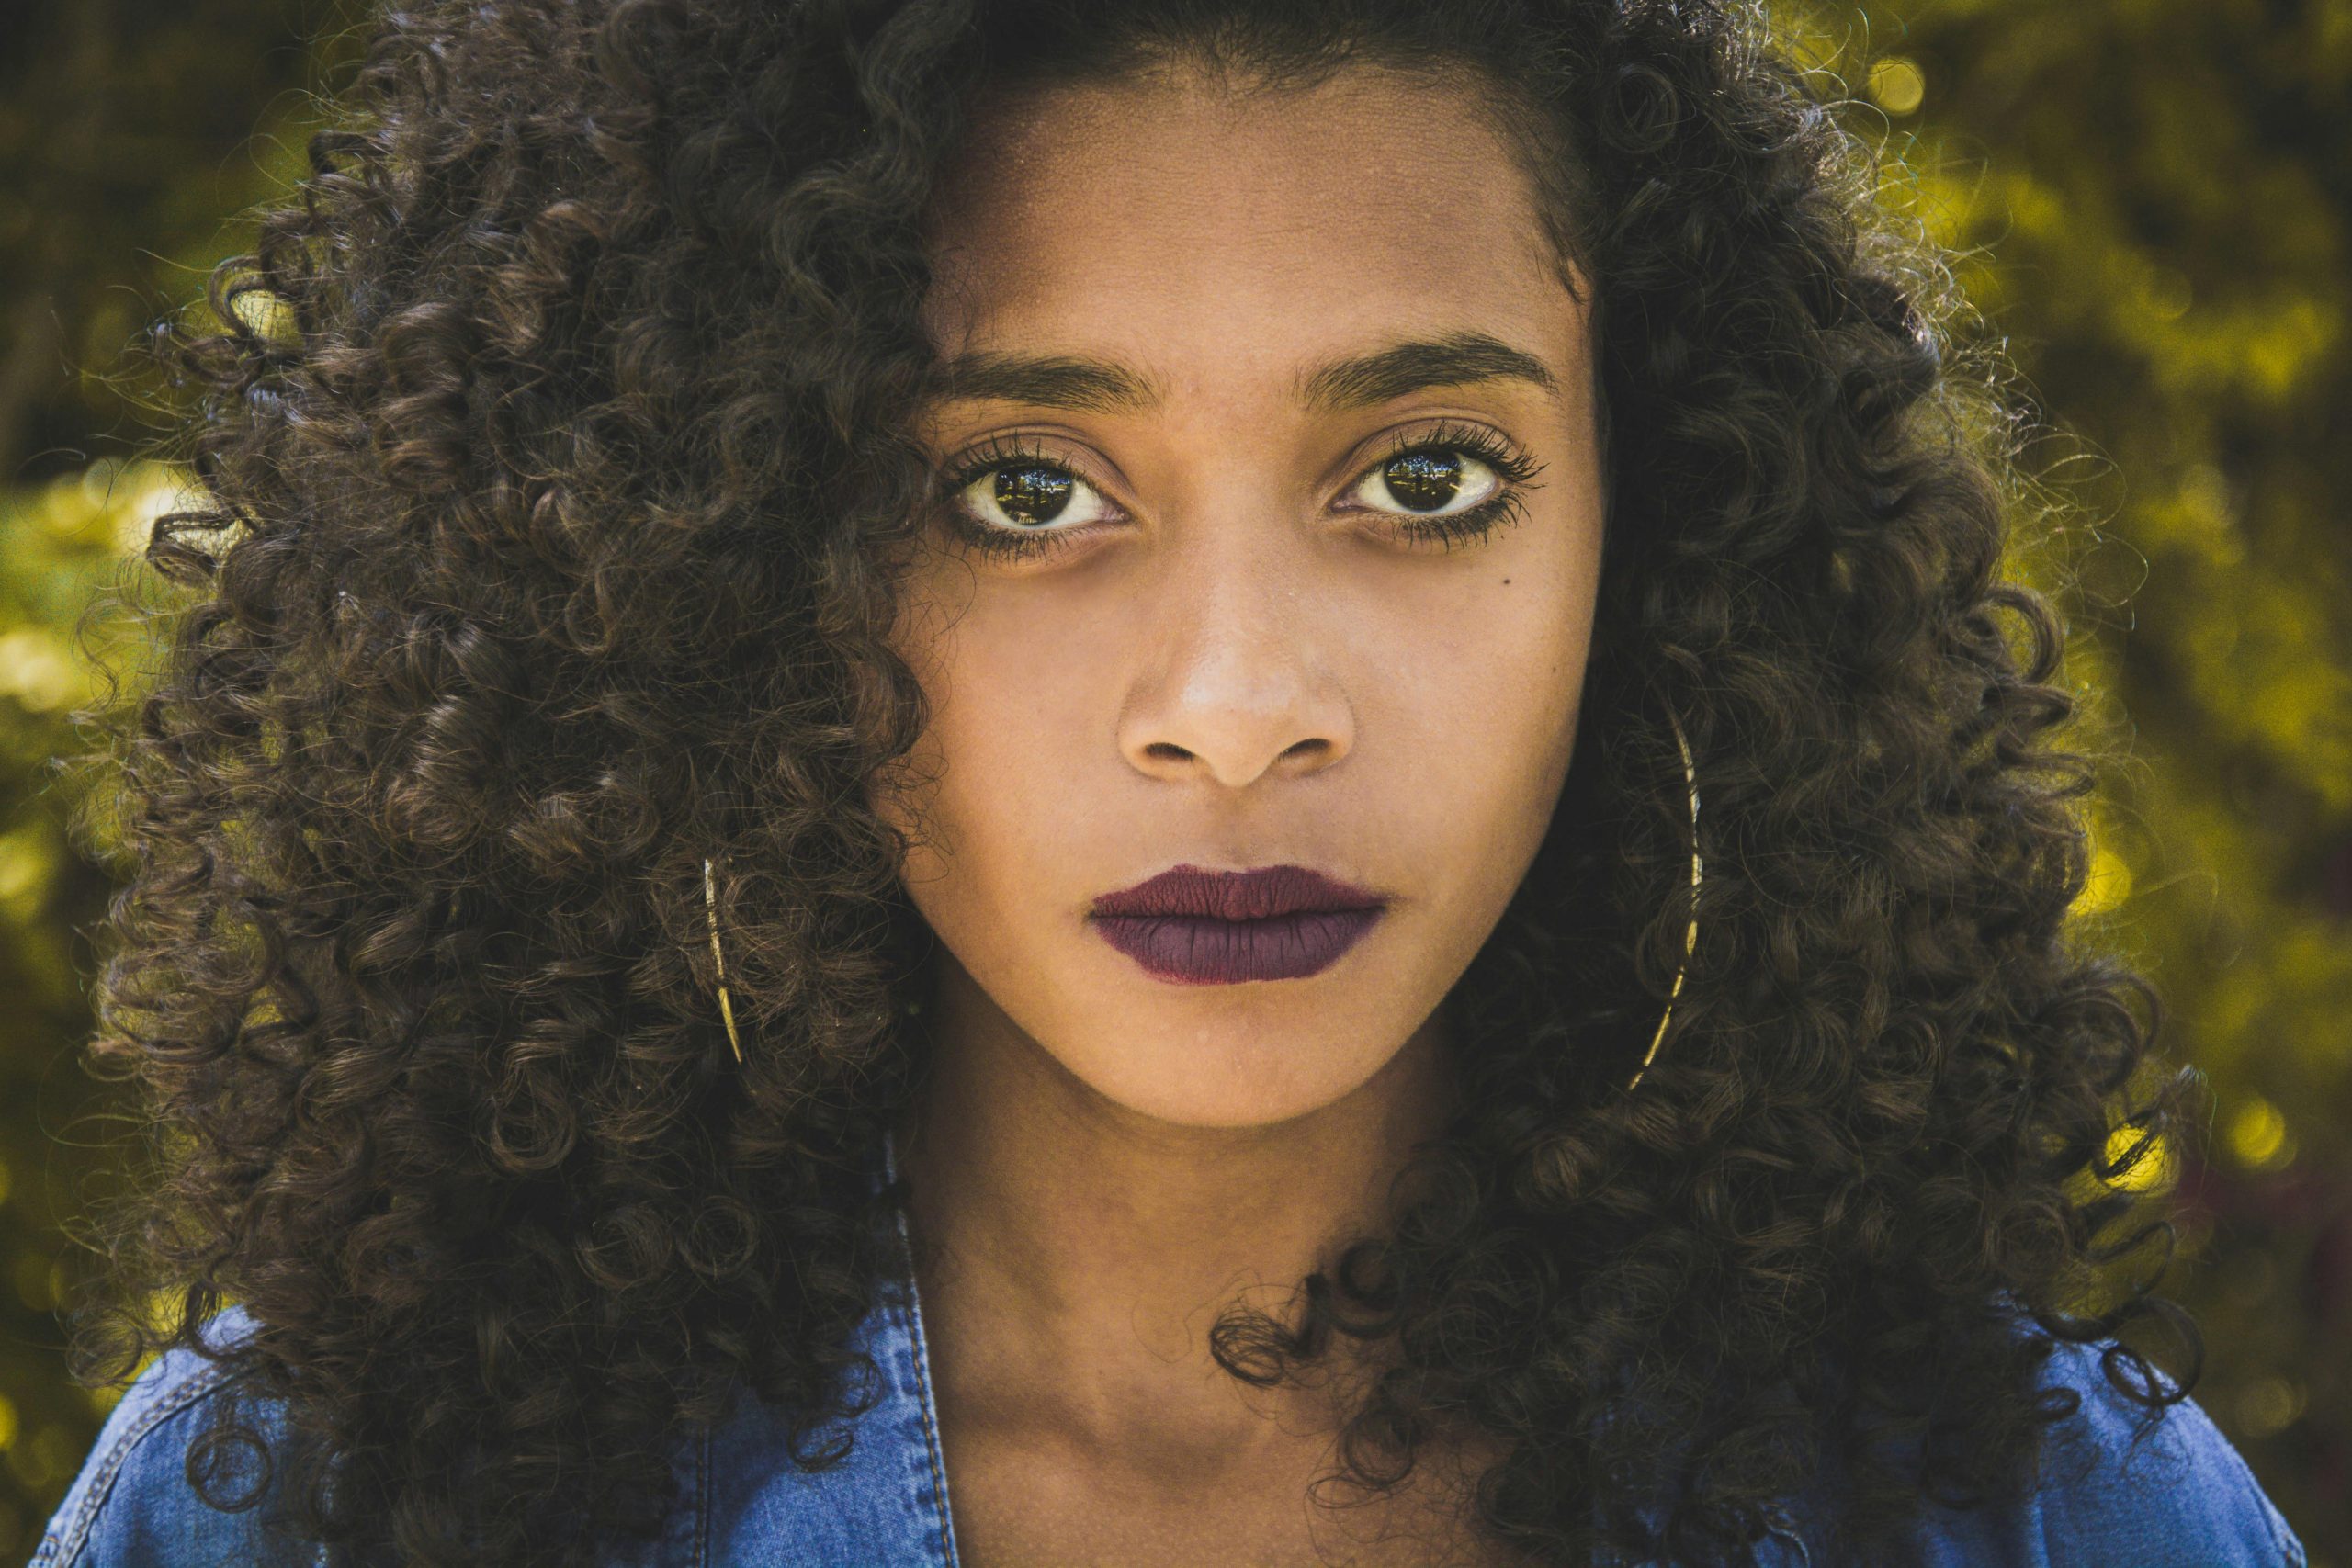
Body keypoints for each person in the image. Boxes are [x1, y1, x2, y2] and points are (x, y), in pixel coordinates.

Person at [30, 0, 2309, 1564]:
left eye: (1423, 473)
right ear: (722, 558)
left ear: (1665, 531)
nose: (1236, 705)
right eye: (1025, 489)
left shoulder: (2028, 1512)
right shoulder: (328, 1499)